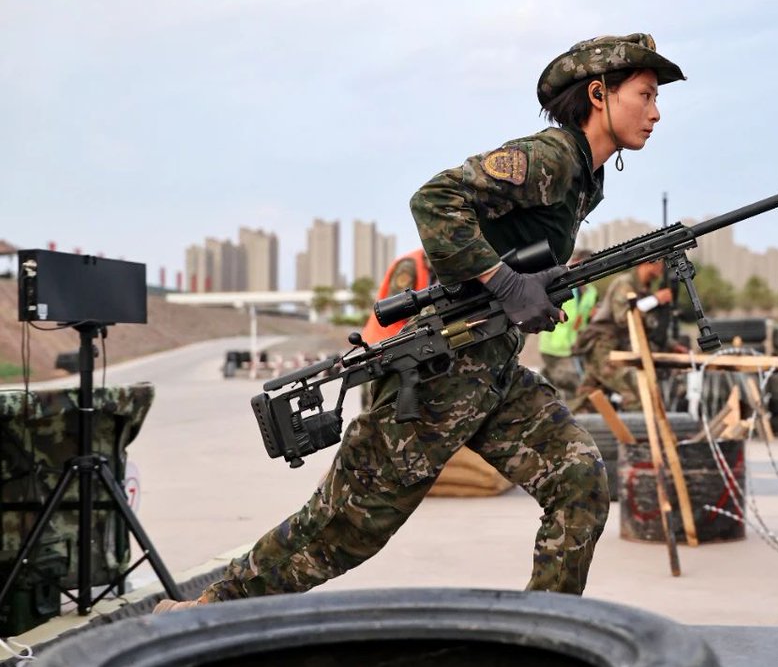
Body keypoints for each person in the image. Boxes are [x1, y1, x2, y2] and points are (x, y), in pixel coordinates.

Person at [154, 33, 685, 612]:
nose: (656, 112)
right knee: (343, 531)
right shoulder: (551, 156)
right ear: (599, 93)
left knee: (579, 478)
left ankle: (544, 631)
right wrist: (506, 286)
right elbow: (434, 200)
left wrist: (530, 292)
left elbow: (506, 248)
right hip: (439, 372)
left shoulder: (587, 176)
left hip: (492, 369)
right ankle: (203, 614)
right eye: (646, 94)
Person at [570, 258, 684, 412]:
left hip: (616, 348)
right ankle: (639, 434)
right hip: (603, 347)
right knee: (637, 393)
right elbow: (623, 318)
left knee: (588, 399)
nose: (662, 268)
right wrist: (655, 300)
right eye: (659, 262)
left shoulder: (643, 290)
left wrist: (672, 345)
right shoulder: (625, 284)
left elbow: (647, 327)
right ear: (646, 263)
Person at [537, 248, 597, 398]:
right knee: (574, 385)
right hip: (553, 347)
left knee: (557, 385)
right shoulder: (561, 286)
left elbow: (582, 321)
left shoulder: (591, 292)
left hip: (572, 348)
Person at [358, 248, 436, 344]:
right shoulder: (408, 266)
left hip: (401, 339)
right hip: (384, 340)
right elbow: (400, 305)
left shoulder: (432, 269)